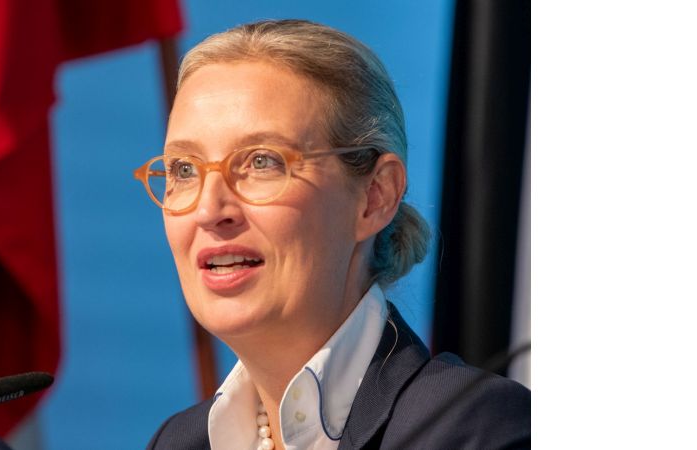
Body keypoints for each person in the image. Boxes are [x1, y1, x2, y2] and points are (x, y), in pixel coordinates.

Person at [137, 19, 529, 449]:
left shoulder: (477, 429)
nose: (210, 210)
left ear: (375, 197)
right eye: (184, 169)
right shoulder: (178, 442)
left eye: (262, 162)